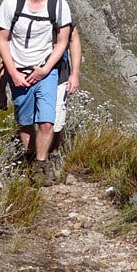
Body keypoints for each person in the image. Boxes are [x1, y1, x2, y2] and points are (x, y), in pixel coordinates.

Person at [0, 0, 72, 186]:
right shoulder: (11, 3)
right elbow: (2, 39)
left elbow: (63, 41)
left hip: (46, 71)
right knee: (25, 122)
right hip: (19, 71)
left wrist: (46, 69)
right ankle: (29, 158)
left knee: (47, 121)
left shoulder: (59, 6)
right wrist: (14, 73)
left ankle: (40, 165)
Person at [48, 23, 81, 173]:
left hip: (59, 74)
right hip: (29, 72)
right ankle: (34, 157)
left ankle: (53, 154)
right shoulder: (19, 4)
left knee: (56, 121)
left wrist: (74, 74)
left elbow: (73, 37)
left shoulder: (58, 5)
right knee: (28, 119)